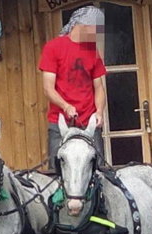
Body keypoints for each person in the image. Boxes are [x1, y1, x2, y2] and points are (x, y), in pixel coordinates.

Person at [39, 5, 107, 167]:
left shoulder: (92, 51)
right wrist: (66, 106)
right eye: (96, 28)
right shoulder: (53, 48)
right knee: (57, 170)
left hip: (89, 123)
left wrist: (99, 112)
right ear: (83, 25)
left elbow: (99, 88)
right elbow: (48, 88)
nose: (98, 33)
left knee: (98, 169)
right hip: (60, 122)